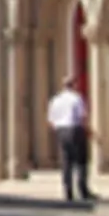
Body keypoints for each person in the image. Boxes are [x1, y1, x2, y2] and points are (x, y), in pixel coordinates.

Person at [46, 74, 95, 203]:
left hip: (61, 131)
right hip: (75, 130)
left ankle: (68, 191)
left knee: (66, 161)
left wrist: (59, 131)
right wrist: (88, 131)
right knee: (81, 161)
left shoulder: (55, 100)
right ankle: (83, 190)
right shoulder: (76, 98)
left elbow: (51, 120)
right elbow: (82, 117)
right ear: (74, 85)